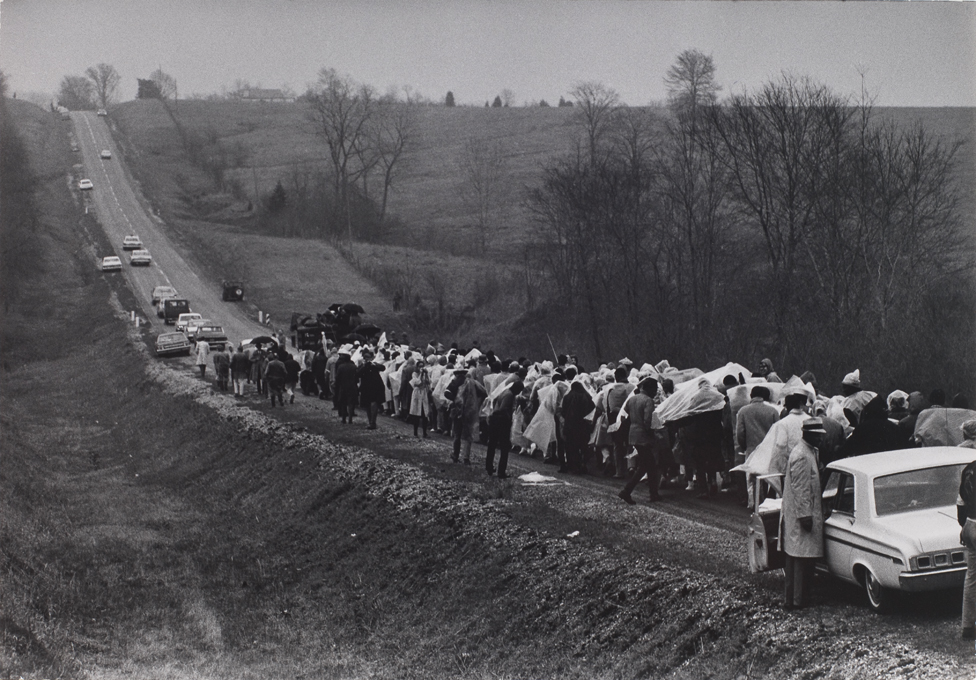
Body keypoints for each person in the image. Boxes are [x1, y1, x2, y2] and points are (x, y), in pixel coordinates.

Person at [780, 418, 827, 610]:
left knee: (801, 558)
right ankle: (797, 600)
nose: (821, 439)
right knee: (799, 559)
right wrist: (805, 515)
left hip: (804, 512)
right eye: (818, 436)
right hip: (802, 515)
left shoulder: (808, 452)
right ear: (809, 434)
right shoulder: (801, 455)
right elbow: (800, 489)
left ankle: (798, 598)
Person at [618, 377, 664, 504]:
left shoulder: (632, 399)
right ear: (650, 389)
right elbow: (647, 420)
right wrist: (652, 435)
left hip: (633, 434)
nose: (655, 392)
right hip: (644, 435)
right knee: (648, 465)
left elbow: (626, 413)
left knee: (647, 465)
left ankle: (652, 493)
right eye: (654, 390)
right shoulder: (648, 401)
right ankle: (627, 491)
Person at [734, 386, 780, 504]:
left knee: (753, 478)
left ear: (751, 395)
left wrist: (745, 446)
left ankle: (755, 503)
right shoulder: (773, 411)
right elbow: (778, 432)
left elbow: (740, 433)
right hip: (769, 450)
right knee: (767, 476)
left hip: (752, 448)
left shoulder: (743, 411)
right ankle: (768, 502)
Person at [956, 420, 976, 639]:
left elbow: (960, 501)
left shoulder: (969, 469)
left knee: (971, 578)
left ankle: (968, 626)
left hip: (971, 523)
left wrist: (964, 526)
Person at [486, 380, 522, 478]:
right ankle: (501, 471)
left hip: (494, 419)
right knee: (504, 447)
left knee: (492, 445)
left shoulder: (504, 391)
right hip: (501, 421)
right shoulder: (509, 395)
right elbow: (502, 408)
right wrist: (509, 417)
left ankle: (489, 467)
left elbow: (495, 401)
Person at [560, 380, 595, 474]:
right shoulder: (587, 396)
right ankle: (583, 463)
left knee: (571, 445)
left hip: (570, 424)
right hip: (584, 424)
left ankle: (573, 465)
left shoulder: (567, 397)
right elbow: (592, 408)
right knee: (583, 445)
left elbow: (563, 411)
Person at [453, 370, 488, 465]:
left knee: (457, 433)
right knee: (468, 435)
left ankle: (455, 455)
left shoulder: (455, 382)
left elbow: (447, 393)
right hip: (470, 410)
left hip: (458, 410)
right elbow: (484, 391)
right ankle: (466, 457)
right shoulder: (473, 382)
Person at [358, 350, 386, 429]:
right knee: (368, 404)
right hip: (367, 386)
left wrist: (374, 364)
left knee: (373, 403)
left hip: (375, 386)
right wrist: (364, 365)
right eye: (365, 358)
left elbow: (383, 368)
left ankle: (373, 422)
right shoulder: (363, 366)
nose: (367, 359)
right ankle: (371, 421)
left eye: (368, 358)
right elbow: (358, 373)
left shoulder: (374, 365)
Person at [333, 349, 359, 423]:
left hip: (343, 386)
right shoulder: (354, 367)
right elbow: (357, 377)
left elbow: (337, 377)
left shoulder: (341, 367)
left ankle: (344, 418)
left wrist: (337, 384)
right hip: (352, 386)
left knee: (343, 403)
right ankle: (350, 418)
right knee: (351, 403)